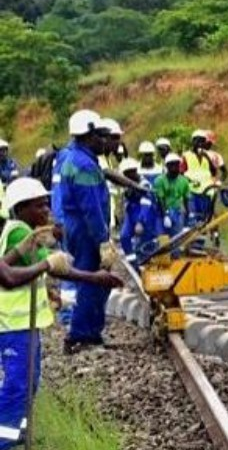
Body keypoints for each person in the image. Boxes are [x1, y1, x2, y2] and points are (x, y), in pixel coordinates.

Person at [0, 177, 123, 449]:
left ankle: (17, 433)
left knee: (29, 382)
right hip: (13, 325)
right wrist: (93, 277)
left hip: (23, 324)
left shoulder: (21, 230)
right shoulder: (19, 232)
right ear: (20, 208)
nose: (46, 211)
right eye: (39, 206)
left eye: (46, 204)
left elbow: (46, 267)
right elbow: (51, 268)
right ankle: (3, 441)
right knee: (18, 385)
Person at [53, 110, 121, 354]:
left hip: (78, 227)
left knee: (95, 282)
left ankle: (91, 333)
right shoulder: (83, 165)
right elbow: (91, 208)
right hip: (85, 230)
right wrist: (103, 241)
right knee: (91, 281)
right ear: (89, 135)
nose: (105, 141)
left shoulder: (77, 158)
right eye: (100, 135)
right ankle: (80, 336)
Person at [118, 158, 160, 269]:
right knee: (124, 237)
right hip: (131, 213)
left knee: (146, 241)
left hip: (144, 214)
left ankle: (146, 264)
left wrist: (140, 222)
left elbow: (146, 204)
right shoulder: (127, 183)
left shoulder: (144, 184)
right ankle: (133, 263)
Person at [181, 130, 218, 228]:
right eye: (198, 141)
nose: (200, 144)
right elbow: (181, 173)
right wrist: (190, 181)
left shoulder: (207, 156)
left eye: (202, 141)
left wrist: (207, 157)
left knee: (204, 220)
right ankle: (191, 241)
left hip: (206, 192)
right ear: (193, 142)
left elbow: (214, 172)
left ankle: (200, 242)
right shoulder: (186, 156)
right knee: (193, 218)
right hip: (192, 191)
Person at [154, 153, 190, 239]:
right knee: (163, 238)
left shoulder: (184, 181)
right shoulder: (160, 181)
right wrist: (165, 215)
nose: (174, 167)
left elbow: (186, 199)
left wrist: (187, 218)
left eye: (176, 164)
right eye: (171, 165)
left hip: (177, 212)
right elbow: (160, 200)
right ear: (167, 166)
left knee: (177, 239)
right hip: (161, 212)